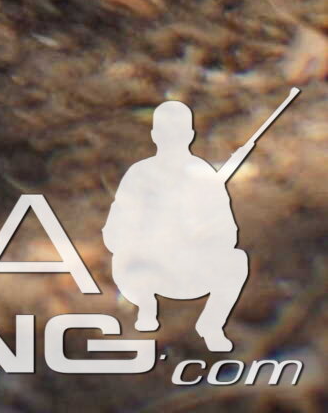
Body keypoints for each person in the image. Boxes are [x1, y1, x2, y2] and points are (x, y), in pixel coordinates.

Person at [105, 97, 255, 350]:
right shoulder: (140, 175)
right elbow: (114, 231)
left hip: (189, 267)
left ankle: (211, 324)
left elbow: (227, 232)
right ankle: (144, 311)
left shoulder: (203, 175)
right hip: (146, 268)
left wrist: (200, 228)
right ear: (155, 134)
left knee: (236, 261)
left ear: (189, 134)